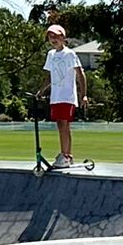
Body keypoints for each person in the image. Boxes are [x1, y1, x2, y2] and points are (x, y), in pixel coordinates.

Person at [40, 23, 87, 167]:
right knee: (60, 125)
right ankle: (66, 154)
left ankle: (65, 155)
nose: (53, 39)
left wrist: (83, 94)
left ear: (63, 37)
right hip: (56, 96)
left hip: (67, 96)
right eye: (50, 37)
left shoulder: (70, 54)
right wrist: (41, 91)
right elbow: (49, 76)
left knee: (64, 124)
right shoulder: (51, 55)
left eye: (56, 36)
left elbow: (80, 74)